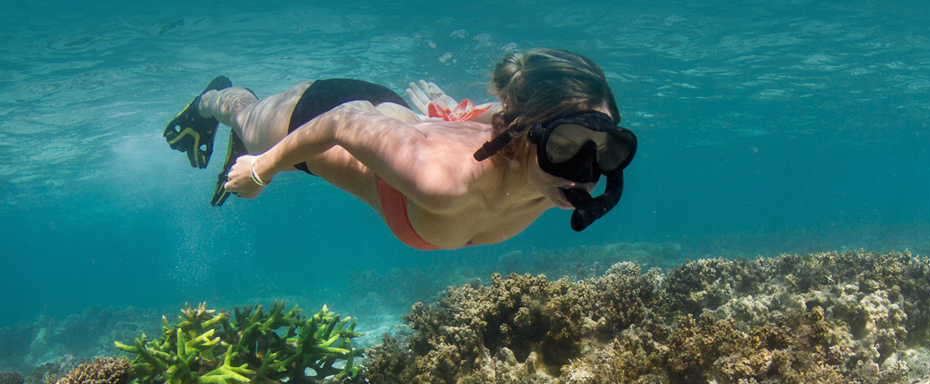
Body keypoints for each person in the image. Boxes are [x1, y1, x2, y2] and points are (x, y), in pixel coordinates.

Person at [163, 49, 637, 250]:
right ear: (523, 131)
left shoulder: (554, 177)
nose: (587, 172)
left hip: (403, 133)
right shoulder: (442, 180)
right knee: (246, 117)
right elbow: (342, 120)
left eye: (607, 148)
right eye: (568, 146)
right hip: (326, 115)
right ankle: (209, 100)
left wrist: (458, 117)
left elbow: (530, 114)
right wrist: (262, 169)